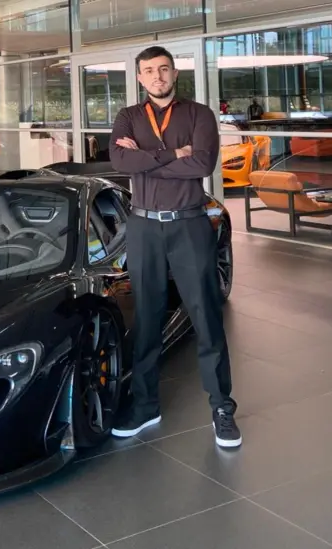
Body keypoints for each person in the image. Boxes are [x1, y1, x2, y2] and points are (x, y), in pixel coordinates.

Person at [108, 46, 241, 448]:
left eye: (163, 69)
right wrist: (171, 155)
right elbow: (120, 162)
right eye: (148, 71)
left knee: (206, 317)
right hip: (144, 227)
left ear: (174, 73)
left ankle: (222, 408)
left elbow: (201, 165)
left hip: (188, 226)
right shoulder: (127, 116)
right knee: (146, 319)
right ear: (139, 78)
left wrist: (146, 157)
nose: (157, 77)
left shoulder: (199, 115)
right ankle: (145, 406)